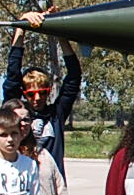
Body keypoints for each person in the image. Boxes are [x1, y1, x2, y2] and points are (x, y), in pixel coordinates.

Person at [4, 13, 82, 169]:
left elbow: (74, 76)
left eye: (43, 92)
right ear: (24, 93)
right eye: (31, 94)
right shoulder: (16, 113)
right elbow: (12, 77)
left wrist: (60, 34)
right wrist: (21, 28)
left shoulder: (56, 114)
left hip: (51, 184)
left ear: (49, 90)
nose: (38, 97)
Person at [24, 118, 70, 195]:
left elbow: (61, 189)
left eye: (26, 120)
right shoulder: (0, 159)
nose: (23, 124)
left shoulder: (43, 154)